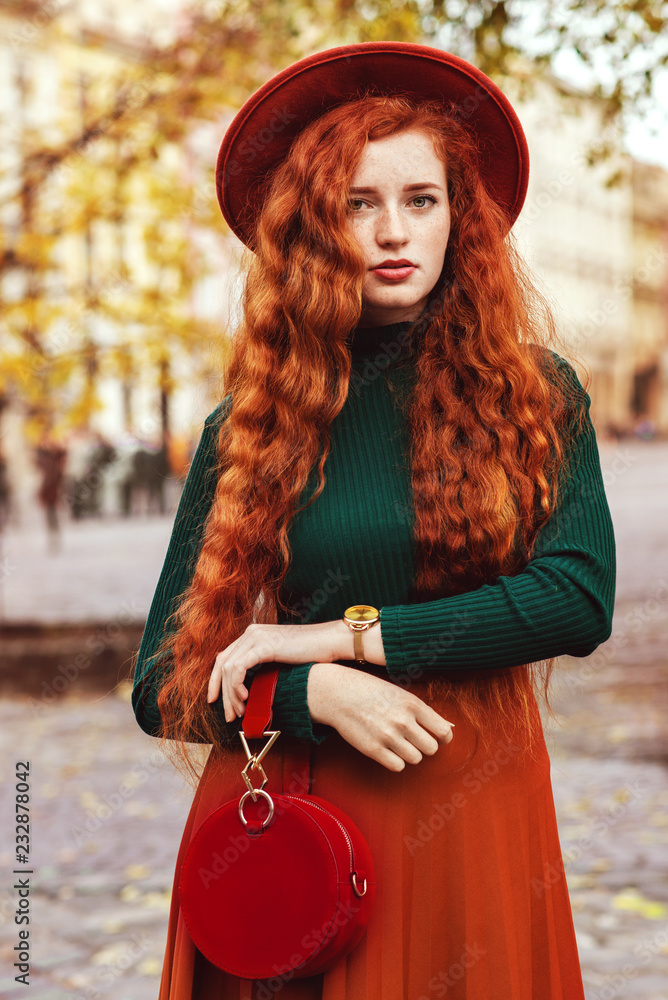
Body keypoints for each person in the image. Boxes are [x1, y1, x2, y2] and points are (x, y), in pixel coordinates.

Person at [132, 41, 615, 1000]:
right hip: (300, 827)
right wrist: (310, 696)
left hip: (472, 820)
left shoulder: (534, 392)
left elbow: (577, 598)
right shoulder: (252, 424)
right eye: (358, 203)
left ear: (457, 218)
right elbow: (162, 684)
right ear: (316, 228)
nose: (393, 229)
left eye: (421, 199)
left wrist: (346, 641)